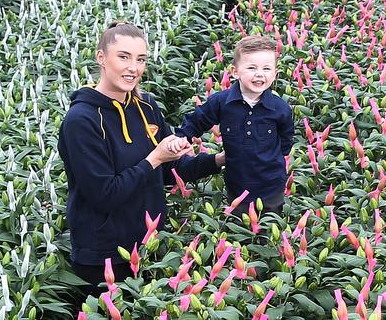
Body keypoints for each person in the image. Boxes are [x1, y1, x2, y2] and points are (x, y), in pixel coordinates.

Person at [58, 21, 225, 295]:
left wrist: (219, 159)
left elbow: (174, 170)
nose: (133, 68)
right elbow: (104, 194)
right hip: (103, 255)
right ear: (101, 57)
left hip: (148, 245)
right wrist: (154, 159)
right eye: (123, 57)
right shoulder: (82, 120)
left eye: (141, 59)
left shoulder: (146, 106)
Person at [171, 35, 294, 216]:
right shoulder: (222, 102)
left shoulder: (280, 108)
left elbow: (286, 140)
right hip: (237, 183)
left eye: (266, 68)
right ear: (235, 72)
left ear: (275, 74)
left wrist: (270, 157)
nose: (259, 73)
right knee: (238, 228)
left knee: (269, 224)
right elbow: (198, 119)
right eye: (252, 68)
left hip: (271, 185)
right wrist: (181, 137)